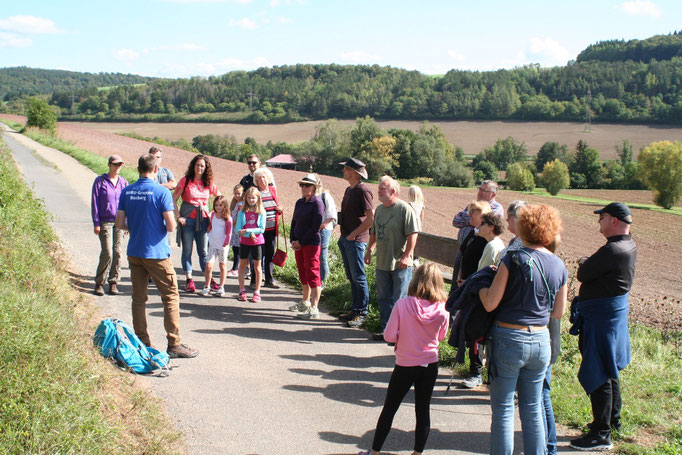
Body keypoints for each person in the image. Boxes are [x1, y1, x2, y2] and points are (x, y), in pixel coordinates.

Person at [478, 204, 568, 455]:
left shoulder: (513, 258)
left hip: (508, 337)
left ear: (524, 227)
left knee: (504, 409)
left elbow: (490, 302)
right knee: (533, 407)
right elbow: (558, 313)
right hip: (541, 340)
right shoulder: (559, 265)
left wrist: (480, 288)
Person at [358, 263, 450, 455]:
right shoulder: (443, 309)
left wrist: (403, 334)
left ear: (415, 280)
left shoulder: (403, 304)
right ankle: (417, 452)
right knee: (423, 410)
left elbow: (389, 336)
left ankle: (374, 451)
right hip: (429, 363)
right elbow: (441, 336)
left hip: (405, 364)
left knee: (390, 408)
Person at [115, 154, 198, 359]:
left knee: (138, 298)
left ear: (138, 168)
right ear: (156, 169)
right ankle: (174, 343)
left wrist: (135, 227)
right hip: (156, 253)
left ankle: (142, 342)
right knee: (170, 296)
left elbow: (119, 223)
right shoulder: (161, 192)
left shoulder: (127, 191)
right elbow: (171, 225)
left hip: (134, 251)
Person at [569, 202, 637, 451]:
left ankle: (601, 434)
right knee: (609, 369)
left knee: (598, 371)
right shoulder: (627, 245)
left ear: (615, 221)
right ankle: (612, 421)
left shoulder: (614, 250)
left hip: (601, 321)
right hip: (610, 318)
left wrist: (584, 261)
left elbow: (583, 273)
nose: (599, 221)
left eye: (603, 217)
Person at [364, 176, 419, 341]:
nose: (379, 191)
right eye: (379, 188)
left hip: (399, 264)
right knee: (384, 298)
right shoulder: (379, 209)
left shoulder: (404, 209)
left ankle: (400, 334)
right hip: (382, 261)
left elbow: (413, 234)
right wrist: (369, 250)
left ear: (393, 191)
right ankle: (387, 331)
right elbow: (373, 232)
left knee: (400, 300)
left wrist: (407, 256)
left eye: (382, 189)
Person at [456, 200, 492, 389]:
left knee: (476, 331)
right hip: (468, 285)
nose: (470, 216)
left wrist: (469, 280)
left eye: (474, 213)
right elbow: (465, 255)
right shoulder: (473, 233)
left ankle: (476, 372)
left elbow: (483, 266)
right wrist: (462, 276)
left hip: (478, 290)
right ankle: (472, 369)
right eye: (470, 212)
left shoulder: (487, 240)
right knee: (469, 329)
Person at [336, 158, 374, 328]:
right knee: (352, 276)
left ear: (353, 172)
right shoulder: (349, 190)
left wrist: (353, 235)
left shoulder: (363, 190)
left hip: (356, 241)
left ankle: (362, 312)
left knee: (358, 277)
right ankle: (355, 310)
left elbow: (371, 218)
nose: (343, 171)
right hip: (347, 239)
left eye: (346, 169)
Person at [173, 154, 220, 293]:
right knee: (187, 251)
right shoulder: (186, 181)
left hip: (203, 221)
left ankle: (208, 278)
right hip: (187, 220)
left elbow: (219, 198)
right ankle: (189, 279)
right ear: (193, 166)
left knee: (204, 252)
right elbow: (173, 199)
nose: (200, 168)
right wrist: (178, 216)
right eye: (197, 165)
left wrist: (214, 214)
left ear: (206, 168)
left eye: (202, 166)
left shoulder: (209, 182)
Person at [451, 180, 504, 284]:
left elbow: (487, 221)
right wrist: (472, 219)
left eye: (484, 190)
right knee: (455, 285)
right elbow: (456, 221)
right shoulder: (472, 205)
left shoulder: (497, 208)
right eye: (479, 189)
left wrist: (467, 217)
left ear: (493, 194)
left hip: (478, 253)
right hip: (463, 251)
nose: (480, 192)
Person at [91, 154, 128, 296]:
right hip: (105, 221)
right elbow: (94, 203)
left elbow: (126, 204)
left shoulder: (124, 183)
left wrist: (127, 222)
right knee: (107, 252)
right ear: (109, 165)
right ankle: (99, 283)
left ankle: (113, 282)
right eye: (115, 164)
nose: (118, 167)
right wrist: (96, 223)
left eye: (120, 165)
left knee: (118, 252)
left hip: (119, 221)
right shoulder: (100, 181)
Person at [289, 173, 325, 320]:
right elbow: (294, 222)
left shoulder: (317, 203)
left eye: (307, 185)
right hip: (299, 244)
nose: (304, 188)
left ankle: (314, 307)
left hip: (311, 243)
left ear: (314, 187)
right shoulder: (300, 202)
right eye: (302, 185)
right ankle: (305, 302)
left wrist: (301, 241)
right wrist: (293, 239)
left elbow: (316, 226)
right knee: (303, 273)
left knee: (313, 274)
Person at [235, 187, 266, 303]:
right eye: (249, 197)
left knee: (257, 267)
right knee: (242, 265)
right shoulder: (242, 212)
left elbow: (261, 229)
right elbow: (237, 229)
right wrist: (244, 232)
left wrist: (248, 231)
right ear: (246, 198)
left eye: (253, 198)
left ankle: (257, 291)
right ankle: (242, 290)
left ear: (258, 198)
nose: (251, 200)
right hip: (244, 242)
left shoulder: (262, 212)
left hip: (257, 242)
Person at [254, 167, 282, 289]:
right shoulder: (255, 192)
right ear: (256, 180)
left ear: (268, 178)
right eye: (259, 178)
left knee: (270, 254)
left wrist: (279, 210)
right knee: (258, 255)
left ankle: (269, 279)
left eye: (263, 177)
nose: (262, 180)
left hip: (271, 229)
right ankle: (255, 281)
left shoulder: (272, 190)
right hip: (259, 230)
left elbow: (276, 206)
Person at [200, 195, 232, 297]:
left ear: (225, 206)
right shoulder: (213, 215)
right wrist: (208, 230)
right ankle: (206, 286)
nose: (218, 207)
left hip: (222, 246)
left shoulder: (228, 219)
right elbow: (211, 224)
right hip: (213, 244)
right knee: (208, 265)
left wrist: (226, 242)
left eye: (220, 205)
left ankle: (221, 287)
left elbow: (229, 233)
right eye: (216, 205)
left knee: (222, 266)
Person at [316, 175, 337, 286]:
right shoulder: (309, 196)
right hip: (313, 231)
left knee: (322, 257)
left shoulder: (325, 196)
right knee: (314, 257)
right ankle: (315, 283)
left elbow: (331, 215)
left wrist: (321, 226)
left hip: (323, 230)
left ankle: (323, 284)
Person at [227, 184, 244, 277]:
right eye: (236, 193)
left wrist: (233, 222)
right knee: (235, 249)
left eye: (239, 193)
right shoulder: (238, 203)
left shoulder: (241, 204)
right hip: (235, 229)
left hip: (238, 229)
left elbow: (240, 217)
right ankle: (235, 268)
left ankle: (235, 268)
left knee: (237, 250)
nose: (237, 195)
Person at [408, 185, 425, 267]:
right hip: (418, 228)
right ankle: (416, 261)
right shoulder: (421, 205)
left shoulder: (409, 205)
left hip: (410, 228)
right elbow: (421, 219)